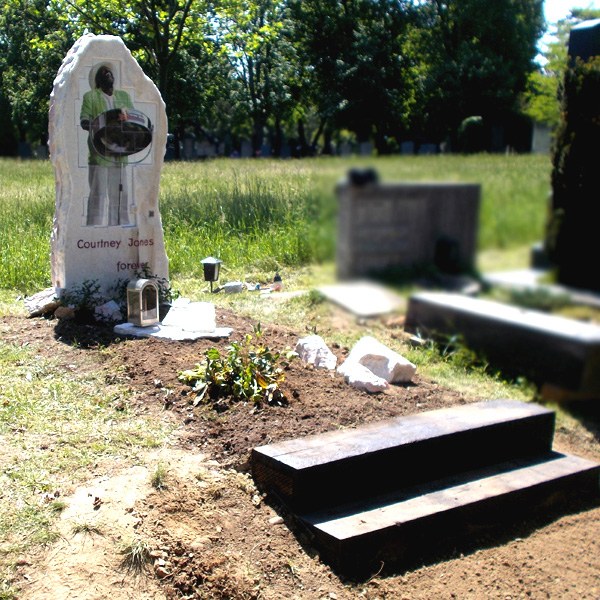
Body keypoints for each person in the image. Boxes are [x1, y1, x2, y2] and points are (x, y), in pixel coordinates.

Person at [80, 63, 134, 226]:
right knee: (98, 193)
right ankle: (94, 230)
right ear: (98, 80)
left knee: (121, 193)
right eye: (103, 73)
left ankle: (120, 228)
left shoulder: (123, 96)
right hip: (100, 152)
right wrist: (97, 125)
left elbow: (133, 118)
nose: (107, 74)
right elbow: (84, 121)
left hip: (120, 151)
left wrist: (127, 118)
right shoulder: (91, 97)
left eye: (109, 72)